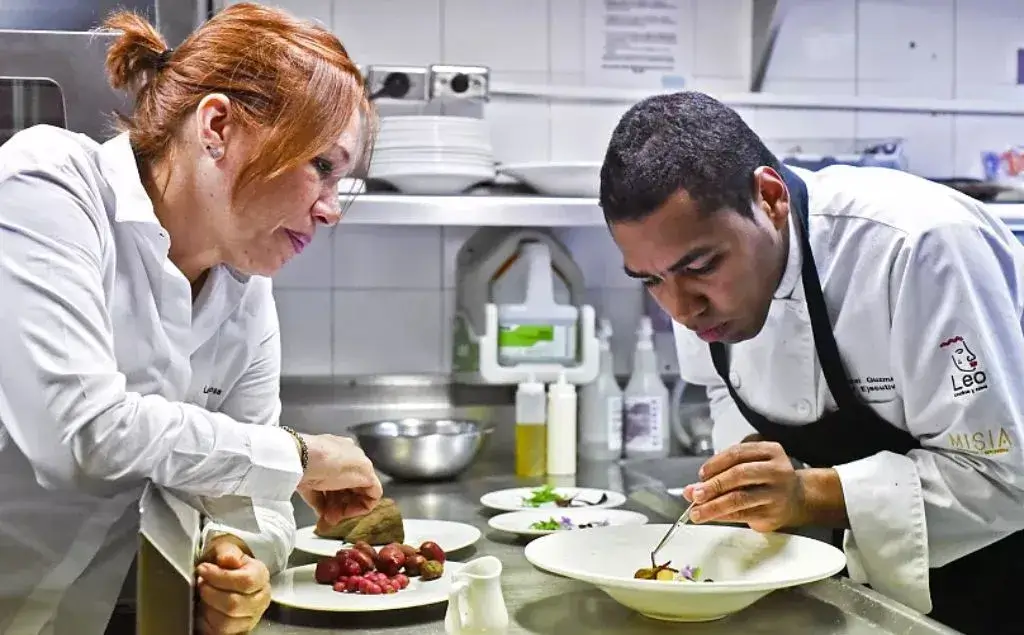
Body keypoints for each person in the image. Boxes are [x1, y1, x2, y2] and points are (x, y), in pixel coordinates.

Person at [0, 4, 383, 634]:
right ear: (218, 125)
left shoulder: (244, 286)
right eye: (321, 167)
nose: (330, 209)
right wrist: (300, 454)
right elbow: (78, 436)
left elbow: (254, 496)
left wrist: (243, 559)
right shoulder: (51, 183)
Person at [600, 91, 1024, 635]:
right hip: (863, 585)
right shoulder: (695, 293)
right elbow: (722, 394)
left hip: (1002, 572)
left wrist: (806, 495)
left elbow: (1006, 476)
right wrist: (747, 482)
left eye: (702, 266)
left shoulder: (916, 247)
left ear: (771, 198)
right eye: (650, 280)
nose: (682, 308)